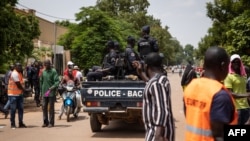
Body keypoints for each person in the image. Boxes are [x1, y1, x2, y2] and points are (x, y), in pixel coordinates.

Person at [184, 46, 238, 141]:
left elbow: (188, 115)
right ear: (222, 66)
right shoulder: (220, 95)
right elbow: (220, 135)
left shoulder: (191, 86)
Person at [133, 52, 175, 141]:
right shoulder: (160, 79)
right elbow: (150, 84)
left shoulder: (156, 83)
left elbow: (162, 110)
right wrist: (140, 73)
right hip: (155, 132)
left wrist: (158, 136)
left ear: (147, 66)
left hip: (156, 134)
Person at [224, 54, 250, 125]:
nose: (236, 63)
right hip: (236, 108)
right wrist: (246, 95)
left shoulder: (244, 75)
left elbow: (245, 90)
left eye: (238, 61)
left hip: (246, 107)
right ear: (231, 63)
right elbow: (229, 93)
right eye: (234, 62)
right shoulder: (229, 76)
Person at [40, 59, 59, 128]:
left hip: (51, 92)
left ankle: (51, 123)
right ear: (44, 65)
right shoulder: (43, 72)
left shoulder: (53, 71)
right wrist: (40, 93)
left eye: (48, 64)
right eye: (45, 64)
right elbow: (41, 82)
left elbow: (57, 81)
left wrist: (53, 87)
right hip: (45, 92)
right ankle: (45, 122)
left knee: (51, 108)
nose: (47, 65)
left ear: (50, 64)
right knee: (44, 107)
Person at [7, 63, 27, 129]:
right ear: (15, 67)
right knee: (13, 109)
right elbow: (18, 84)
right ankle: (13, 124)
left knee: (21, 109)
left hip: (19, 94)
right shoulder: (14, 73)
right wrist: (24, 90)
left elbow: (21, 82)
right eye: (18, 66)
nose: (20, 67)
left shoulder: (20, 73)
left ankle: (20, 123)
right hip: (13, 94)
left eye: (20, 66)